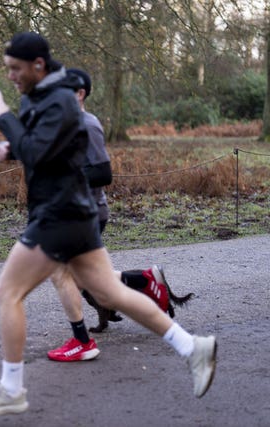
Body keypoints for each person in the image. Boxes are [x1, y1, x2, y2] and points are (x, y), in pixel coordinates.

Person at [0, 32, 217, 416]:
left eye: (16, 69)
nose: (11, 76)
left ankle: (11, 388)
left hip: (59, 214)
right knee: (112, 294)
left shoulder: (63, 99)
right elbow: (46, 149)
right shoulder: (45, 95)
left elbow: (39, 148)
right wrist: (13, 147)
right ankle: (192, 347)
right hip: (75, 213)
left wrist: (4, 121)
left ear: (38, 65)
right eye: (8, 69)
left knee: (8, 293)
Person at [47, 68, 173, 362]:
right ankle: (144, 281)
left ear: (79, 94)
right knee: (85, 278)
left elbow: (103, 173)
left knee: (63, 273)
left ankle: (81, 341)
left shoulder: (87, 124)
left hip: (87, 213)